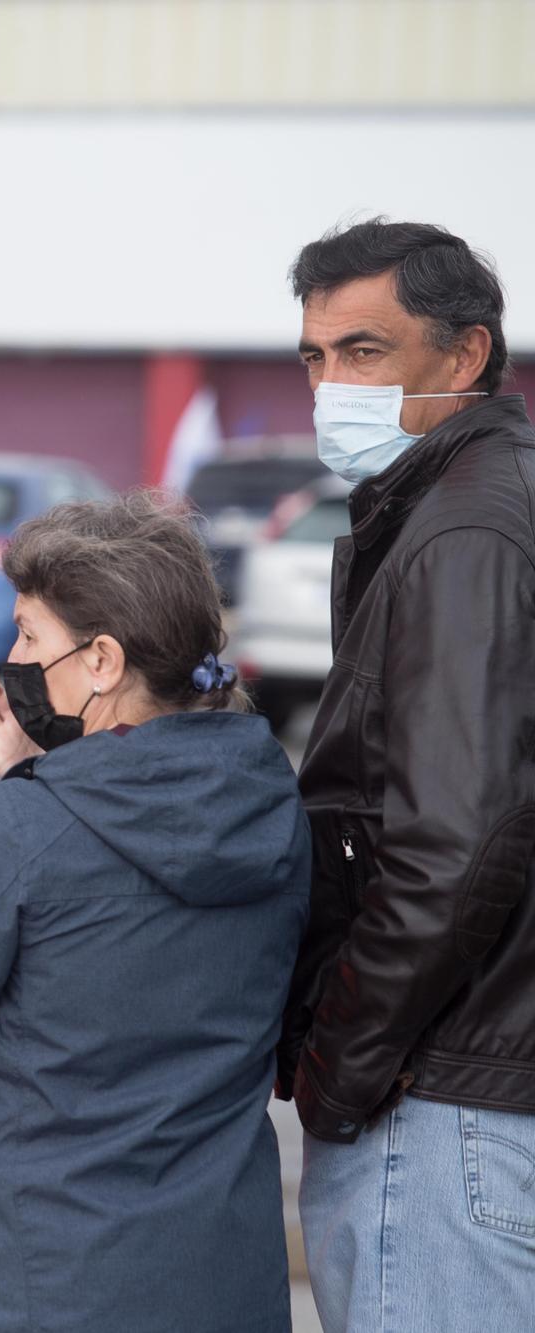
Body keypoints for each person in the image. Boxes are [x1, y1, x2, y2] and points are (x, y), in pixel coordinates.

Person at [0, 493, 309, 1332]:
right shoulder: (272, 805)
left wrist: (10, 816)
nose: (13, 655)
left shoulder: (19, 827)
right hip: (218, 1280)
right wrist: (40, 780)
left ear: (101, 659)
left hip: (27, 1280)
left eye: (30, 634)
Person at [279, 220, 535, 1331]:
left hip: (443, 1102)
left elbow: (454, 845)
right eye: (315, 356)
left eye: (364, 352)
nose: (330, 383)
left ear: (464, 355)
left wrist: (339, 1064)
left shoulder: (465, 531)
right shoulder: (460, 505)